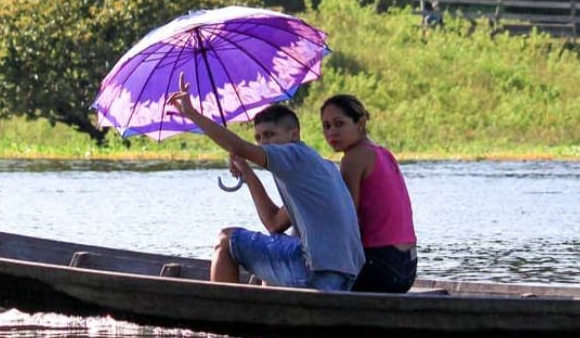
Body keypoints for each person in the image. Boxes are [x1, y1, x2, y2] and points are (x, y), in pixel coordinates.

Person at [165, 75, 364, 291]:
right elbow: (274, 223)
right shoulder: (316, 166)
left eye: (270, 134)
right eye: (259, 138)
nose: (264, 143)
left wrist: (192, 114)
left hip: (317, 273)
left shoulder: (292, 155)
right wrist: (248, 174)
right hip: (344, 276)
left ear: (294, 134)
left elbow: (240, 147)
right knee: (274, 246)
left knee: (225, 240)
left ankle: (223, 315)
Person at [319, 94, 417, 293]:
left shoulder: (353, 158)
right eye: (326, 126)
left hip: (381, 267)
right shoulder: (382, 152)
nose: (332, 133)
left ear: (360, 123)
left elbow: (347, 220)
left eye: (339, 124)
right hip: (408, 268)